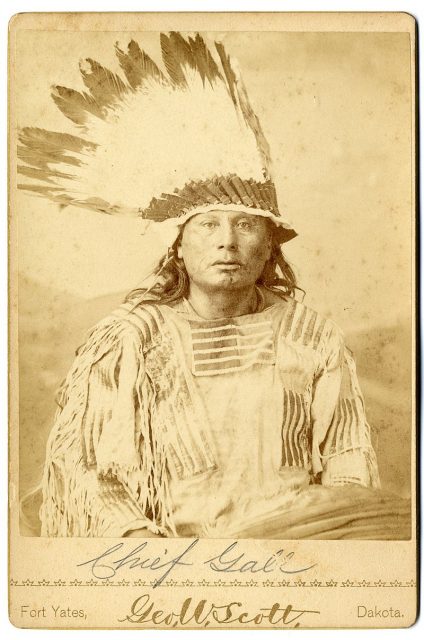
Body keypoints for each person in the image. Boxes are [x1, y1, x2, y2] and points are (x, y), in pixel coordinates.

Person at [19, 33, 409, 539]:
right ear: (178, 246)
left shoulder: (310, 336)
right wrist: (143, 546)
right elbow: (91, 473)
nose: (227, 241)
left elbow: (346, 459)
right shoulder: (130, 340)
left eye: (246, 225)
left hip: (298, 543)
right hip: (166, 557)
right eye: (207, 225)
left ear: (271, 246)